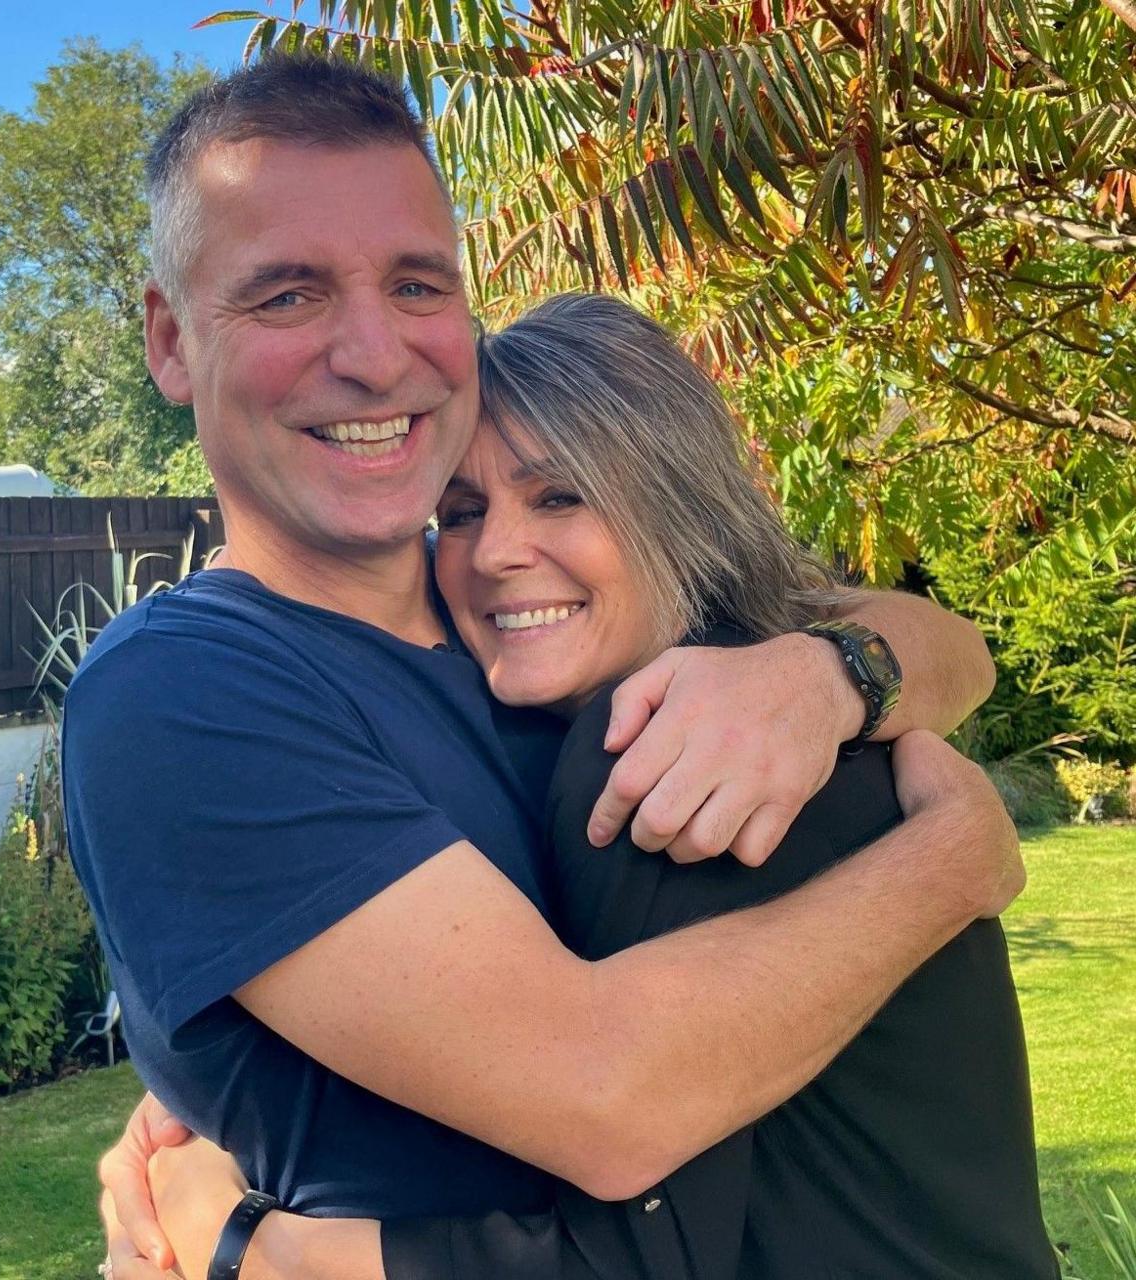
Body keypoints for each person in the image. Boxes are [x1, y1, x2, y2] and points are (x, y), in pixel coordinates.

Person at [63, 54, 1021, 1280]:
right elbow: (610, 1094)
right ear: (169, 340)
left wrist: (831, 672)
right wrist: (951, 858)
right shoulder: (187, 689)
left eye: (415, 283)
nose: (369, 352)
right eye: (287, 295)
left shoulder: (566, 654)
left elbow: (941, 646)